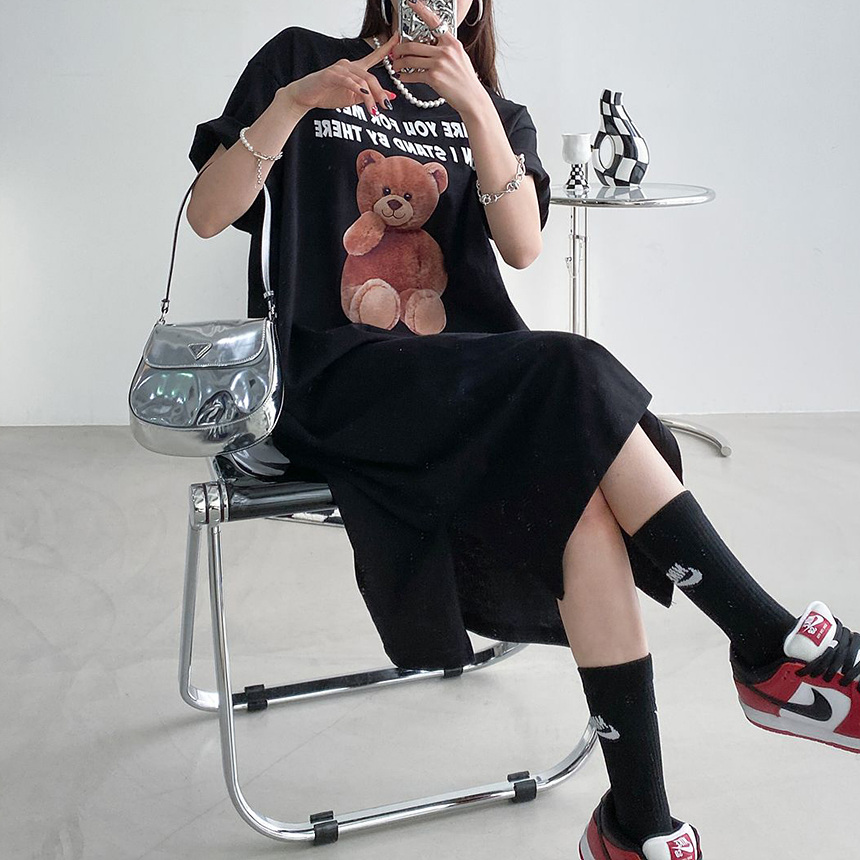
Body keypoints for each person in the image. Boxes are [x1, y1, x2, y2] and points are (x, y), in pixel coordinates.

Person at [186, 2, 860, 857]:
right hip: (336, 378)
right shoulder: (301, 59)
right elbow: (207, 215)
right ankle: (766, 644)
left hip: (479, 384)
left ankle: (638, 826)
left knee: (581, 487)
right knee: (574, 372)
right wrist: (292, 105)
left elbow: (523, 246)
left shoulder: (498, 112)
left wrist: (473, 105)